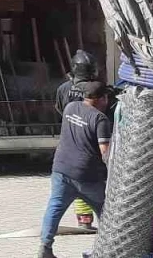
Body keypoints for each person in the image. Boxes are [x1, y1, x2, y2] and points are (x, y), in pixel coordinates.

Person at [39, 81, 113, 258]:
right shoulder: (100, 119)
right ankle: (108, 249)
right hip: (87, 176)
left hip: (61, 169)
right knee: (106, 212)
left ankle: (45, 247)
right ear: (101, 99)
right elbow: (105, 152)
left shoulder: (70, 107)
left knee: (54, 208)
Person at [53, 50, 99, 230]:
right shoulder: (97, 88)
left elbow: (59, 109)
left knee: (74, 179)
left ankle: (84, 219)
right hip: (93, 138)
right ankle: (100, 219)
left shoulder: (63, 89)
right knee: (92, 180)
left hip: (69, 139)